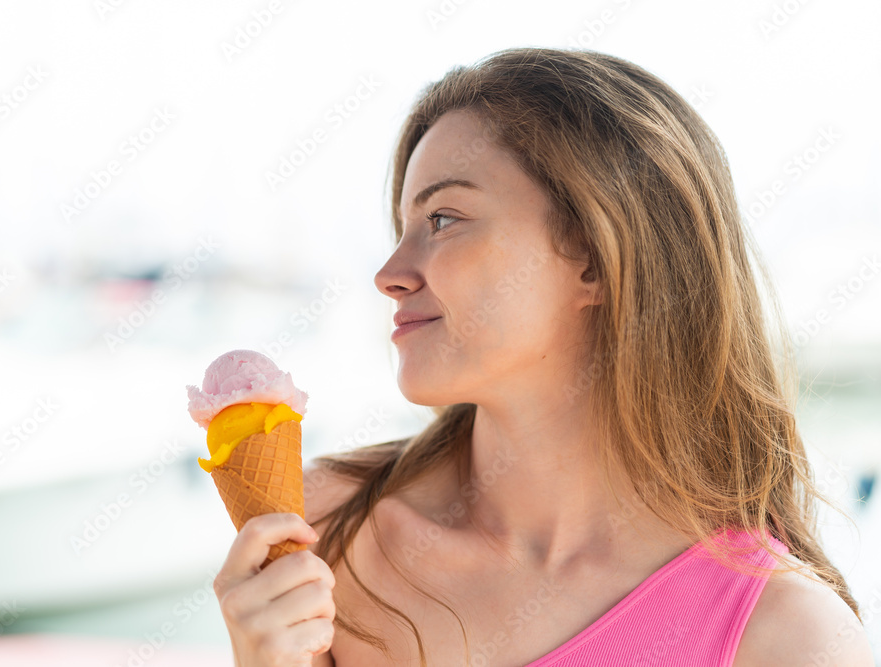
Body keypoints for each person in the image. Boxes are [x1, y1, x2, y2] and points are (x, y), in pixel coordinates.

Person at [211, 48, 874, 666]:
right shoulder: (322, 533)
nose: (389, 272)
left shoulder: (790, 635)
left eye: (442, 218)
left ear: (595, 258)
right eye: (404, 228)